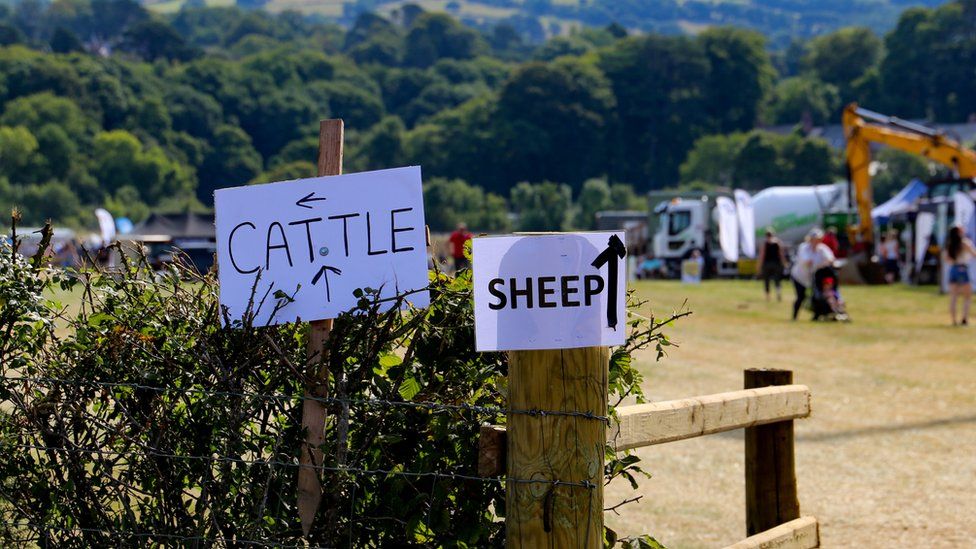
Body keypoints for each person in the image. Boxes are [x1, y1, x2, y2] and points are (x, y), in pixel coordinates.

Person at [790, 228, 836, 321]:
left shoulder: (822, 248)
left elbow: (831, 259)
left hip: (813, 278)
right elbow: (807, 261)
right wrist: (822, 263)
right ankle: (794, 317)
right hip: (799, 277)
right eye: (813, 239)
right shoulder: (804, 247)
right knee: (801, 297)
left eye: (818, 239)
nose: (815, 241)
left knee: (817, 296)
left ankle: (816, 315)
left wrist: (825, 262)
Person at [943, 225, 976, 326]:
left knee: (953, 296)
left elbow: (947, 259)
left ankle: (954, 320)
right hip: (962, 269)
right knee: (967, 296)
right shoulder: (964, 243)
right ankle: (964, 319)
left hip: (953, 269)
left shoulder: (949, 244)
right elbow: (974, 254)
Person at [756, 227, 787, 301]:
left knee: (766, 280)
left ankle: (768, 296)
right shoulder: (778, 242)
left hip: (767, 264)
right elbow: (781, 254)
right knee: (777, 280)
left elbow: (762, 255)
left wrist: (759, 265)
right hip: (776, 264)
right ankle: (778, 293)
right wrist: (784, 263)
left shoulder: (764, 243)